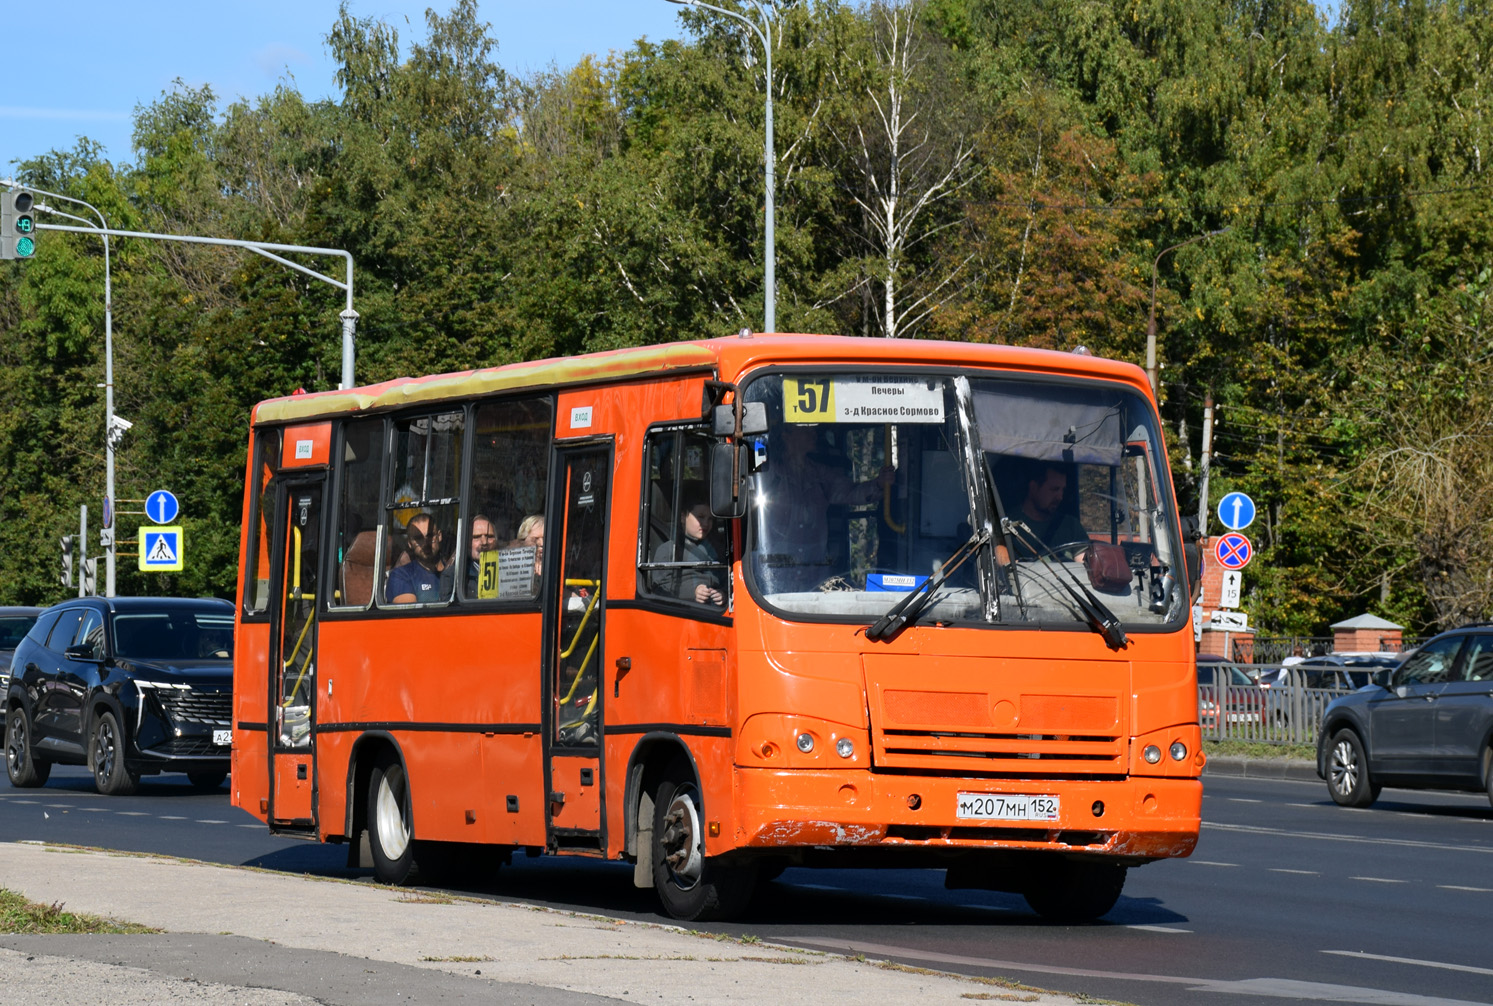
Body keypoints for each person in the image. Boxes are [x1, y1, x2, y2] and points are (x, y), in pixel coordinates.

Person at [753, 423, 895, 591]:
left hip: (815, 568)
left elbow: (850, 493)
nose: (814, 433)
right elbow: (752, 478)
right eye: (805, 428)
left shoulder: (819, 474)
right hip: (775, 569)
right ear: (786, 435)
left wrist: (879, 484)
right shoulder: (768, 473)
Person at [650, 496, 725, 605]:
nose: (706, 523)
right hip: (685, 611)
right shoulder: (668, 550)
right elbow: (661, 586)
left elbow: (726, 578)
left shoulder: (717, 550)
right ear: (683, 517)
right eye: (700, 517)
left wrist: (723, 594)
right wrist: (693, 592)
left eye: (710, 519)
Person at [1012, 462, 1089, 561]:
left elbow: (1083, 567)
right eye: (1054, 489)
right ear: (1033, 487)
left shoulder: (1071, 526)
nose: (1060, 497)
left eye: (1062, 490)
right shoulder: (1009, 526)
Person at [385, 513, 447, 604]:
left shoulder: (455, 571)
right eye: (418, 538)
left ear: (439, 536)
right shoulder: (401, 575)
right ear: (410, 543)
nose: (426, 543)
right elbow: (410, 615)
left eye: (430, 536)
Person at [440, 514, 497, 598]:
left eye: (489, 536)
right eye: (476, 537)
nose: (484, 542)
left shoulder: (507, 569)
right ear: (466, 542)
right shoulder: (453, 576)